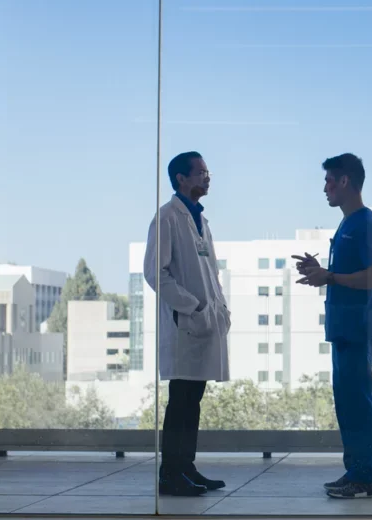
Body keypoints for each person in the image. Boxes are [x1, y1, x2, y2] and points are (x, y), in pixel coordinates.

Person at [294, 153, 372, 499]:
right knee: (348, 404)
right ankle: (357, 472)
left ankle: (367, 476)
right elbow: (345, 275)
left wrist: (328, 276)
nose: (325, 188)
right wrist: (321, 271)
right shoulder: (347, 224)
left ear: (345, 181)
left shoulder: (366, 222)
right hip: (344, 331)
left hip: (358, 329)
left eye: (329, 181)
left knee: (360, 403)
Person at [144, 151, 231, 497]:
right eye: (200, 172)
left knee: (192, 399)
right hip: (185, 325)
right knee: (180, 400)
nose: (207, 178)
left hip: (204, 324)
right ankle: (170, 473)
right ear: (181, 178)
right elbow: (155, 273)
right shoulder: (167, 217)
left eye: (208, 172)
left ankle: (186, 467)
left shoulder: (199, 220)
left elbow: (211, 274)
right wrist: (191, 307)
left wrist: (219, 308)